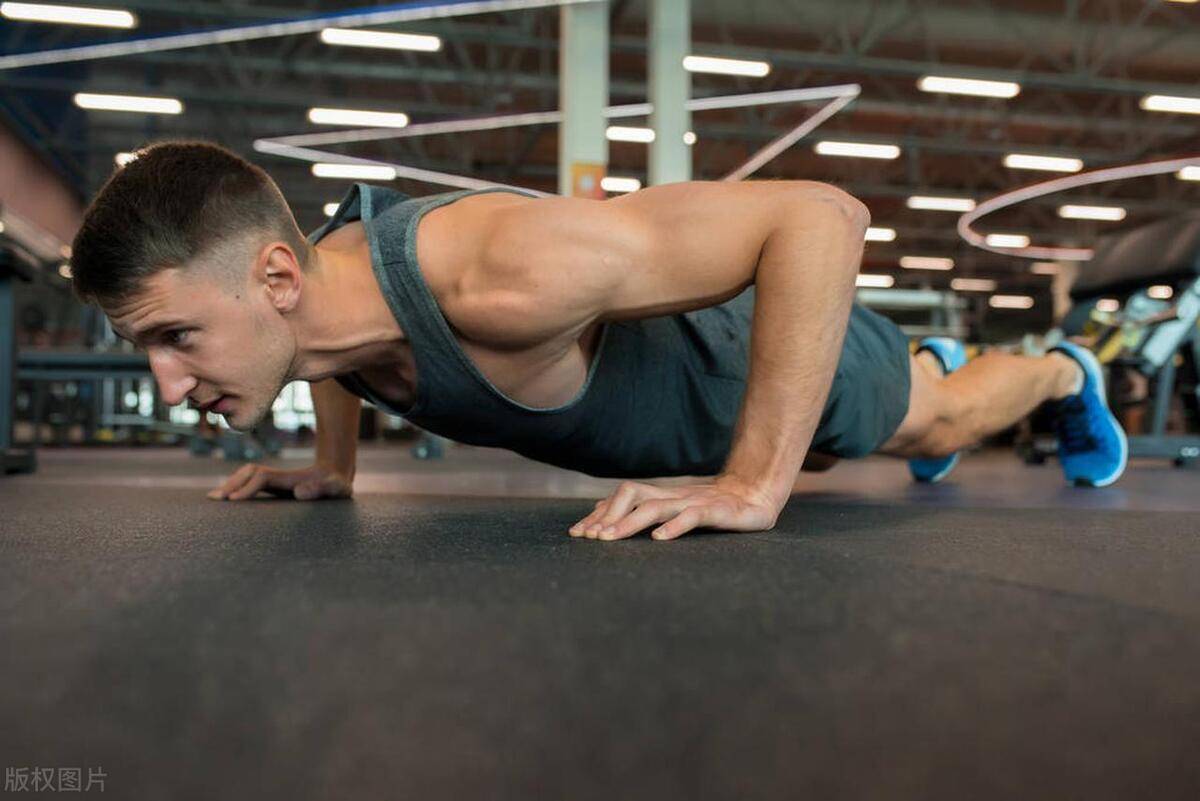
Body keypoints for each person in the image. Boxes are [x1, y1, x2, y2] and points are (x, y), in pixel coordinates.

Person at [68, 141, 1127, 542]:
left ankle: (1057, 369)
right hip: (686, 410)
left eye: (177, 338)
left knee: (936, 423)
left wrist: (753, 485)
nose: (168, 385)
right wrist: (331, 467)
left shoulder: (502, 270)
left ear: (275, 278)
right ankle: (933, 371)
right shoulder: (313, 299)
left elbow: (820, 218)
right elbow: (323, 351)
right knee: (913, 412)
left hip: (742, 366)